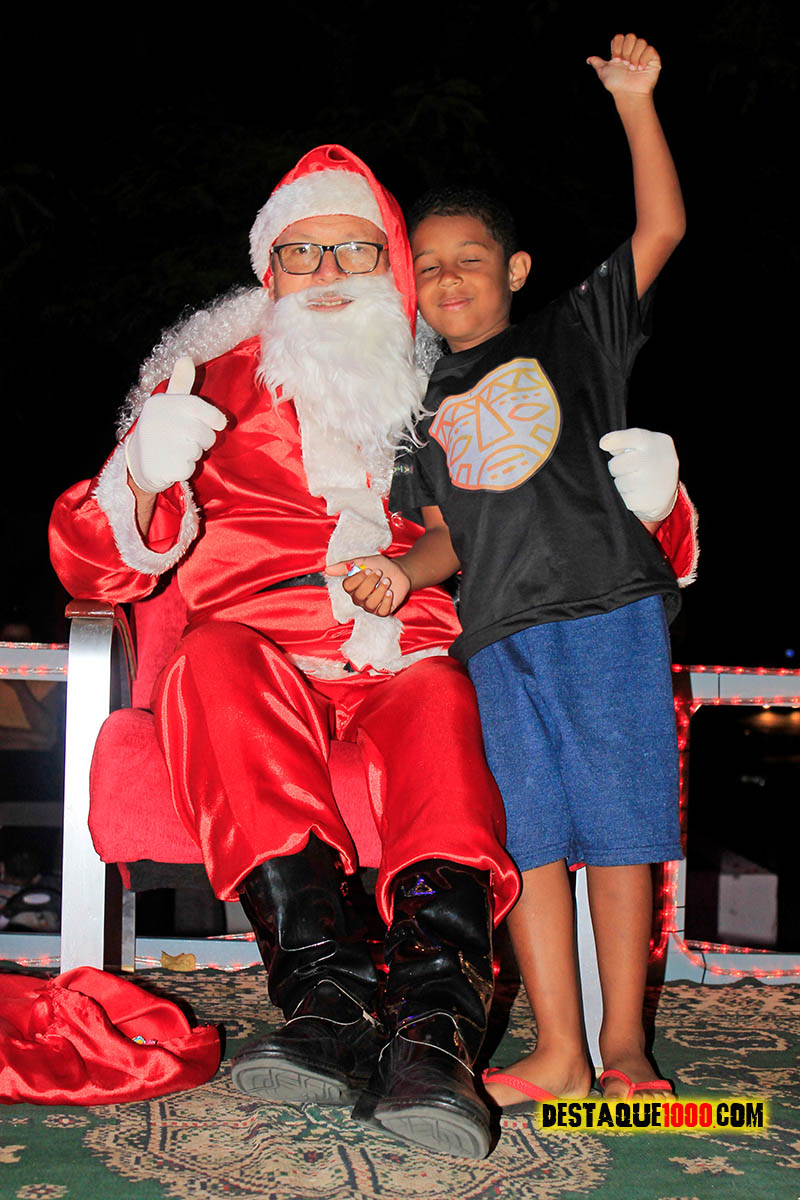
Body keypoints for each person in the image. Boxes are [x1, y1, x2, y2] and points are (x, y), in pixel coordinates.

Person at [49, 144, 525, 1161]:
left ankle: (434, 1032)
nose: (326, 272)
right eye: (301, 251)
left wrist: (657, 510)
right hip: (257, 647)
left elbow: (562, 517)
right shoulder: (207, 381)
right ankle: (328, 998)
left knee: (441, 703)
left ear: (390, 263)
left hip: (404, 646)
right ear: (268, 271)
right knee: (210, 663)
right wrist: (142, 476)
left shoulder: (451, 382)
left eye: (353, 249)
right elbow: (92, 570)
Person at [332, 34, 695, 1108]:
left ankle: (624, 1050)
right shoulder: (420, 411)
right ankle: (559, 1051)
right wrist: (403, 574)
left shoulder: (572, 334)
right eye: (428, 265)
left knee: (618, 834)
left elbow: (661, 229)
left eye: (470, 258)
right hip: (496, 636)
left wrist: (634, 102)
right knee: (529, 840)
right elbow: (451, 532)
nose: (448, 277)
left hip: (605, 610)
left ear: (515, 271)